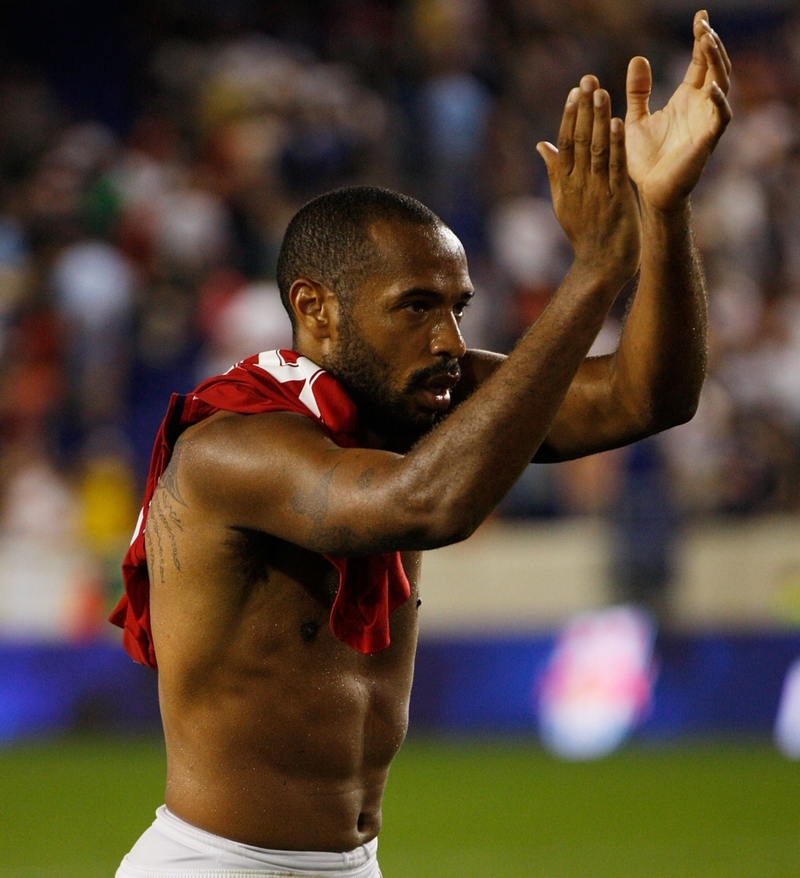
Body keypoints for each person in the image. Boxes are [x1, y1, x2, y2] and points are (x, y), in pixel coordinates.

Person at [113, 11, 731, 877]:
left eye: (457, 307)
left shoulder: (413, 399)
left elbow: (649, 394)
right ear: (317, 309)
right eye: (415, 306)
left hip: (355, 863)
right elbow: (424, 503)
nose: (447, 337)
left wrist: (663, 212)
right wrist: (593, 273)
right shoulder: (233, 449)